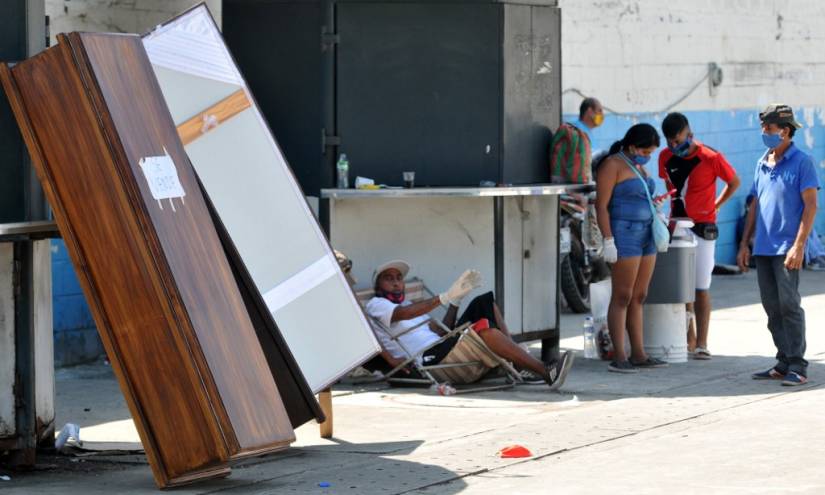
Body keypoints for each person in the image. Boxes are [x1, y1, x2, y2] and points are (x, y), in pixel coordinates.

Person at [365, 260, 574, 390]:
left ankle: (518, 360)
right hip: (427, 358)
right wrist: (444, 297)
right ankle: (545, 372)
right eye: (388, 278)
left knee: (484, 302)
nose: (395, 282)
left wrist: (456, 301)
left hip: (440, 347)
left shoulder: (411, 304)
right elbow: (404, 314)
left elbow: (441, 330)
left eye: (399, 278)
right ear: (378, 285)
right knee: (483, 329)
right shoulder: (377, 305)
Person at [737, 104, 819, 386]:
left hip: (787, 248)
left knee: (789, 305)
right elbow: (755, 205)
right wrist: (744, 243)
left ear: (784, 131)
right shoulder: (762, 163)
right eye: (763, 128)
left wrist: (799, 246)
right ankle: (783, 360)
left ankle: (798, 365)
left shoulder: (802, 162)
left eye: (769, 128)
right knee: (772, 306)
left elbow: (810, 206)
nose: (764, 133)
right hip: (763, 247)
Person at [659, 112, 740, 359]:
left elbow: (734, 181)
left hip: (704, 227)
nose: (674, 145)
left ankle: (702, 343)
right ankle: (688, 339)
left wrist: (716, 204)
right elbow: (667, 182)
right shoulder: (665, 157)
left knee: (701, 287)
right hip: (677, 226)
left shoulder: (710, 157)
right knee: (682, 288)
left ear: (689, 133)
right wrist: (676, 203)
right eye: (670, 141)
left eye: (678, 139)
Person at [595, 123, 668, 373]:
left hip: (646, 233)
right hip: (624, 234)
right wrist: (608, 239)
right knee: (622, 296)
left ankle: (639, 353)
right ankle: (620, 355)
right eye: (645, 151)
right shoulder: (612, 165)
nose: (647, 156)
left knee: (639, 295)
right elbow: (601, 206)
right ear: (632, 146)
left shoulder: (638, 167)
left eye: (651, 152)